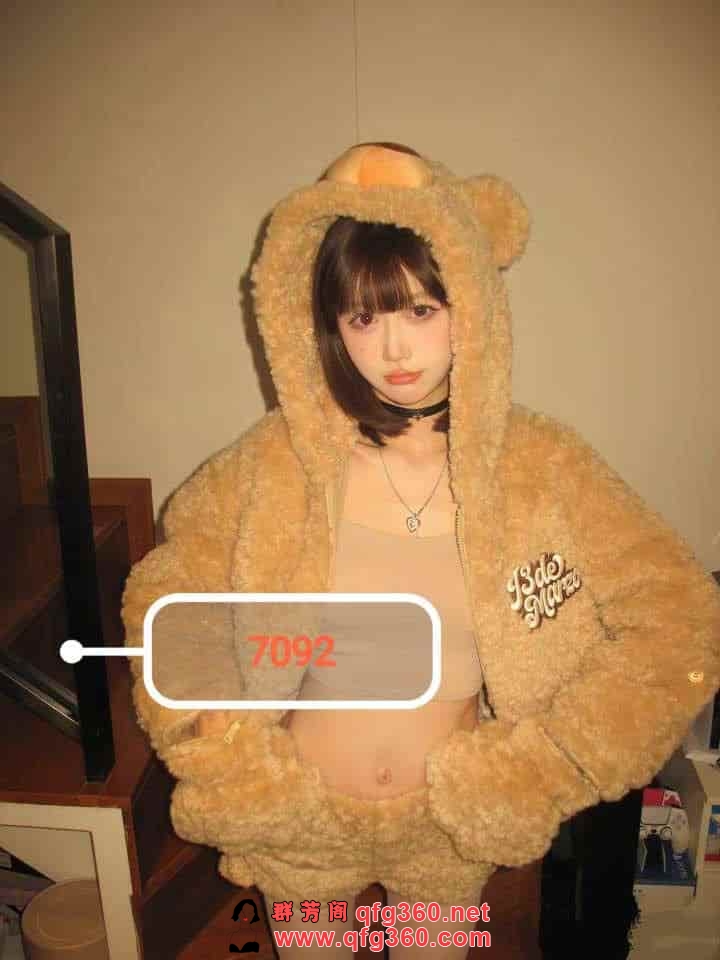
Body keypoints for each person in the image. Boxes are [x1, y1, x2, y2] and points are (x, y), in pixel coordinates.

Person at [122, 142, 720, 959]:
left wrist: (549, 765)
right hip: (300, 823)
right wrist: (213, 741)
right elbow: (170, 591)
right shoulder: (275, 462)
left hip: (446, 831)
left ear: (470, 304)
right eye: (363, 319)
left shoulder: (543, 467)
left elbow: (679, 619)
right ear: (328, 329)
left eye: (421, 310)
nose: (394, 351)